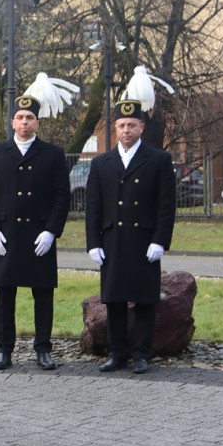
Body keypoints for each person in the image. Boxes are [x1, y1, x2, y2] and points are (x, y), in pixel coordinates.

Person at [0, 95, 71, 370]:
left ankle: (43, 349)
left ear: (37, 123)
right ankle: (4, 350)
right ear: (12, 122)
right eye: (20, 117)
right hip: (6, 235)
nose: (25, 122)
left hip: (39, 235)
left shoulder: (53, 154)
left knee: (43, 294)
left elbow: (62, 197)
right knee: (4, 294)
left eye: (30, 118)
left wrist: (52, 231)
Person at [85, 99, 176, 374]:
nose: (126, 130)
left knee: (144, 299)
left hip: (144, 241)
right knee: (114, 300)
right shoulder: (102, 163)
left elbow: (166, 205)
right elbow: (93, 207)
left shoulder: (158, 159)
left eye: (131, 125)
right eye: (122, 125)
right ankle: (118, 353)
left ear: (141, 127)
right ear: (116, 128)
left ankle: (141, 354)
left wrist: (160, 240)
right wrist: (93, 243)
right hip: (112, 240)